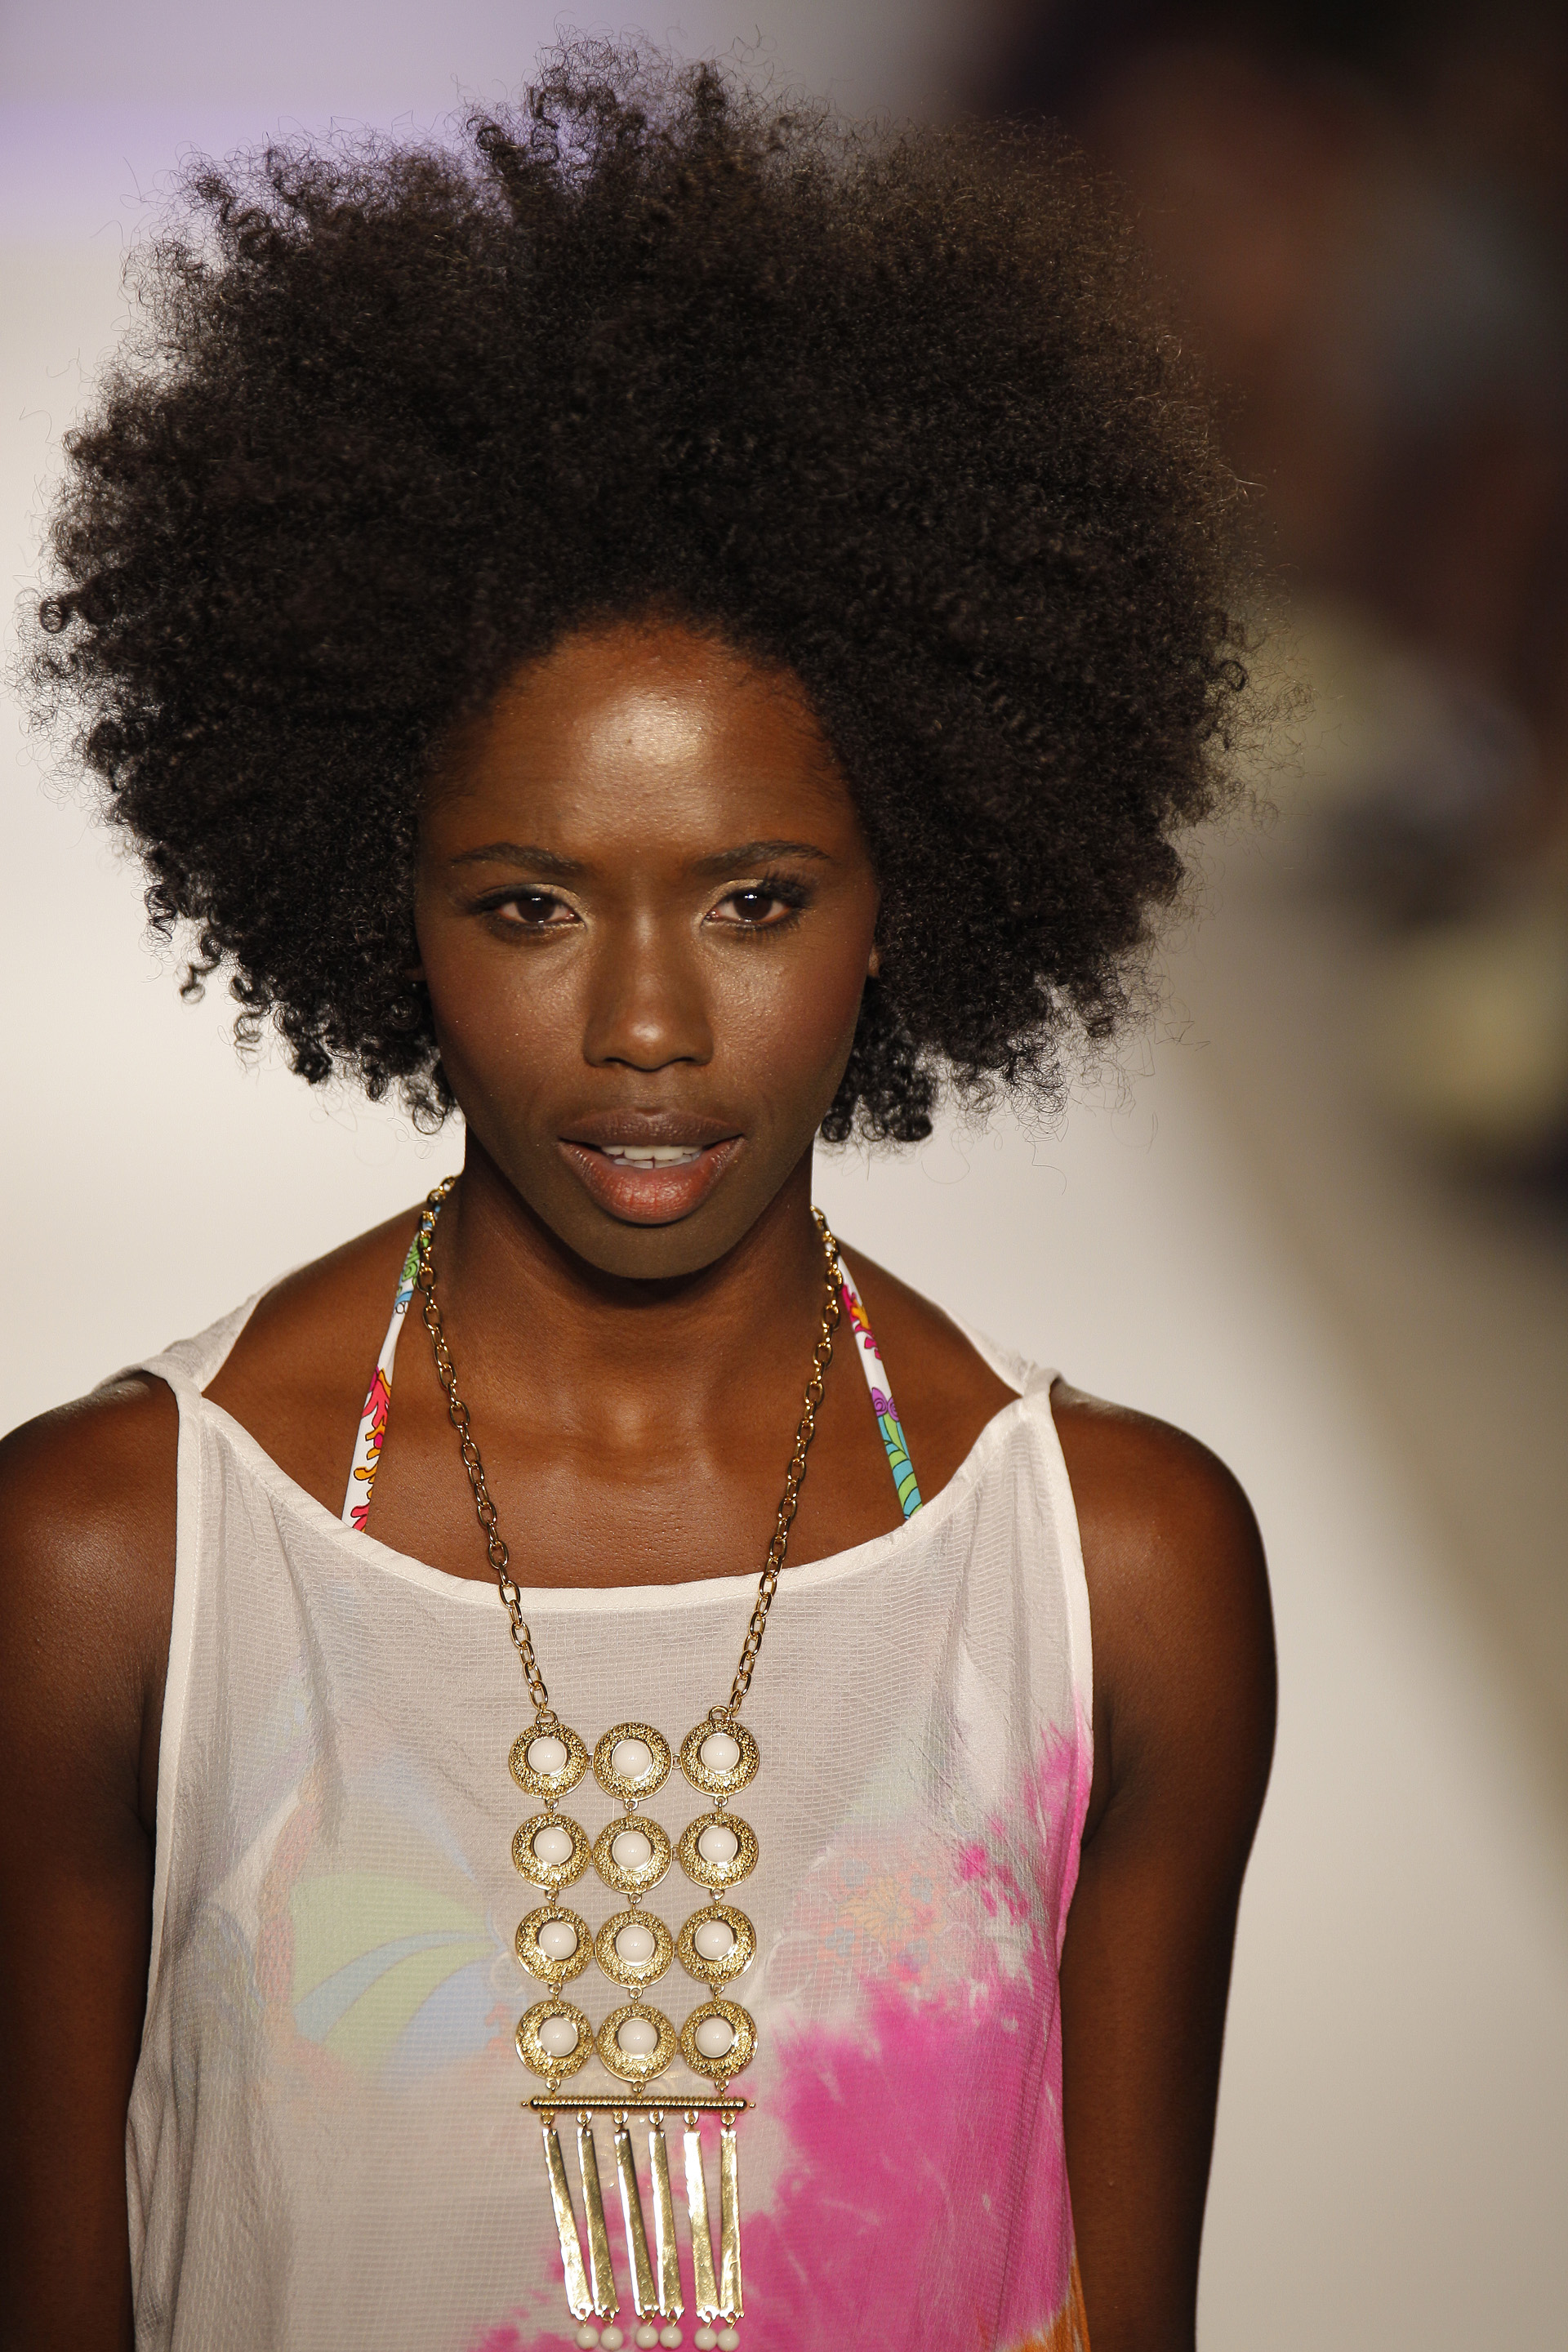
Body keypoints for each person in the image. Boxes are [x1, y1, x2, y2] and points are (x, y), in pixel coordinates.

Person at [1, 46, 1275, 2352]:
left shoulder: (1117, 1579)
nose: (652, 1025)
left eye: (757, 898)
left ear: (908, 894)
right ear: (383, 906)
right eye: (529, 906)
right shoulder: (113, 1566)